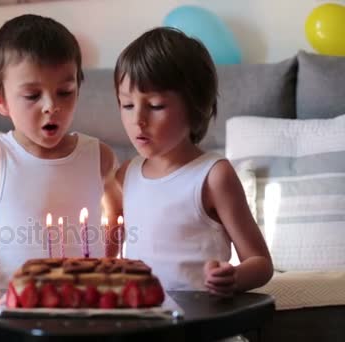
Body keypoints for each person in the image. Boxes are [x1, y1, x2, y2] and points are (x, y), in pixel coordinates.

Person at [0, 14, 121, 296]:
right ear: (1, 101)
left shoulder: (99, 155)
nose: (50, 106)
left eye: (65, 92)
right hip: (18, 308)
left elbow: (118, 213)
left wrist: (106, 263)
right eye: (32, 95)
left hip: (86, 305)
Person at [114, 27, 273, 296]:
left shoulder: (213, 175)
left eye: (155, 106)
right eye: (127, 105)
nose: (137, 119)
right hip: (145, 319)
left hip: (200, 322)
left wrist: (234, 277)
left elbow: (261, 263)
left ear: (195, 106)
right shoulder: (125, 174)